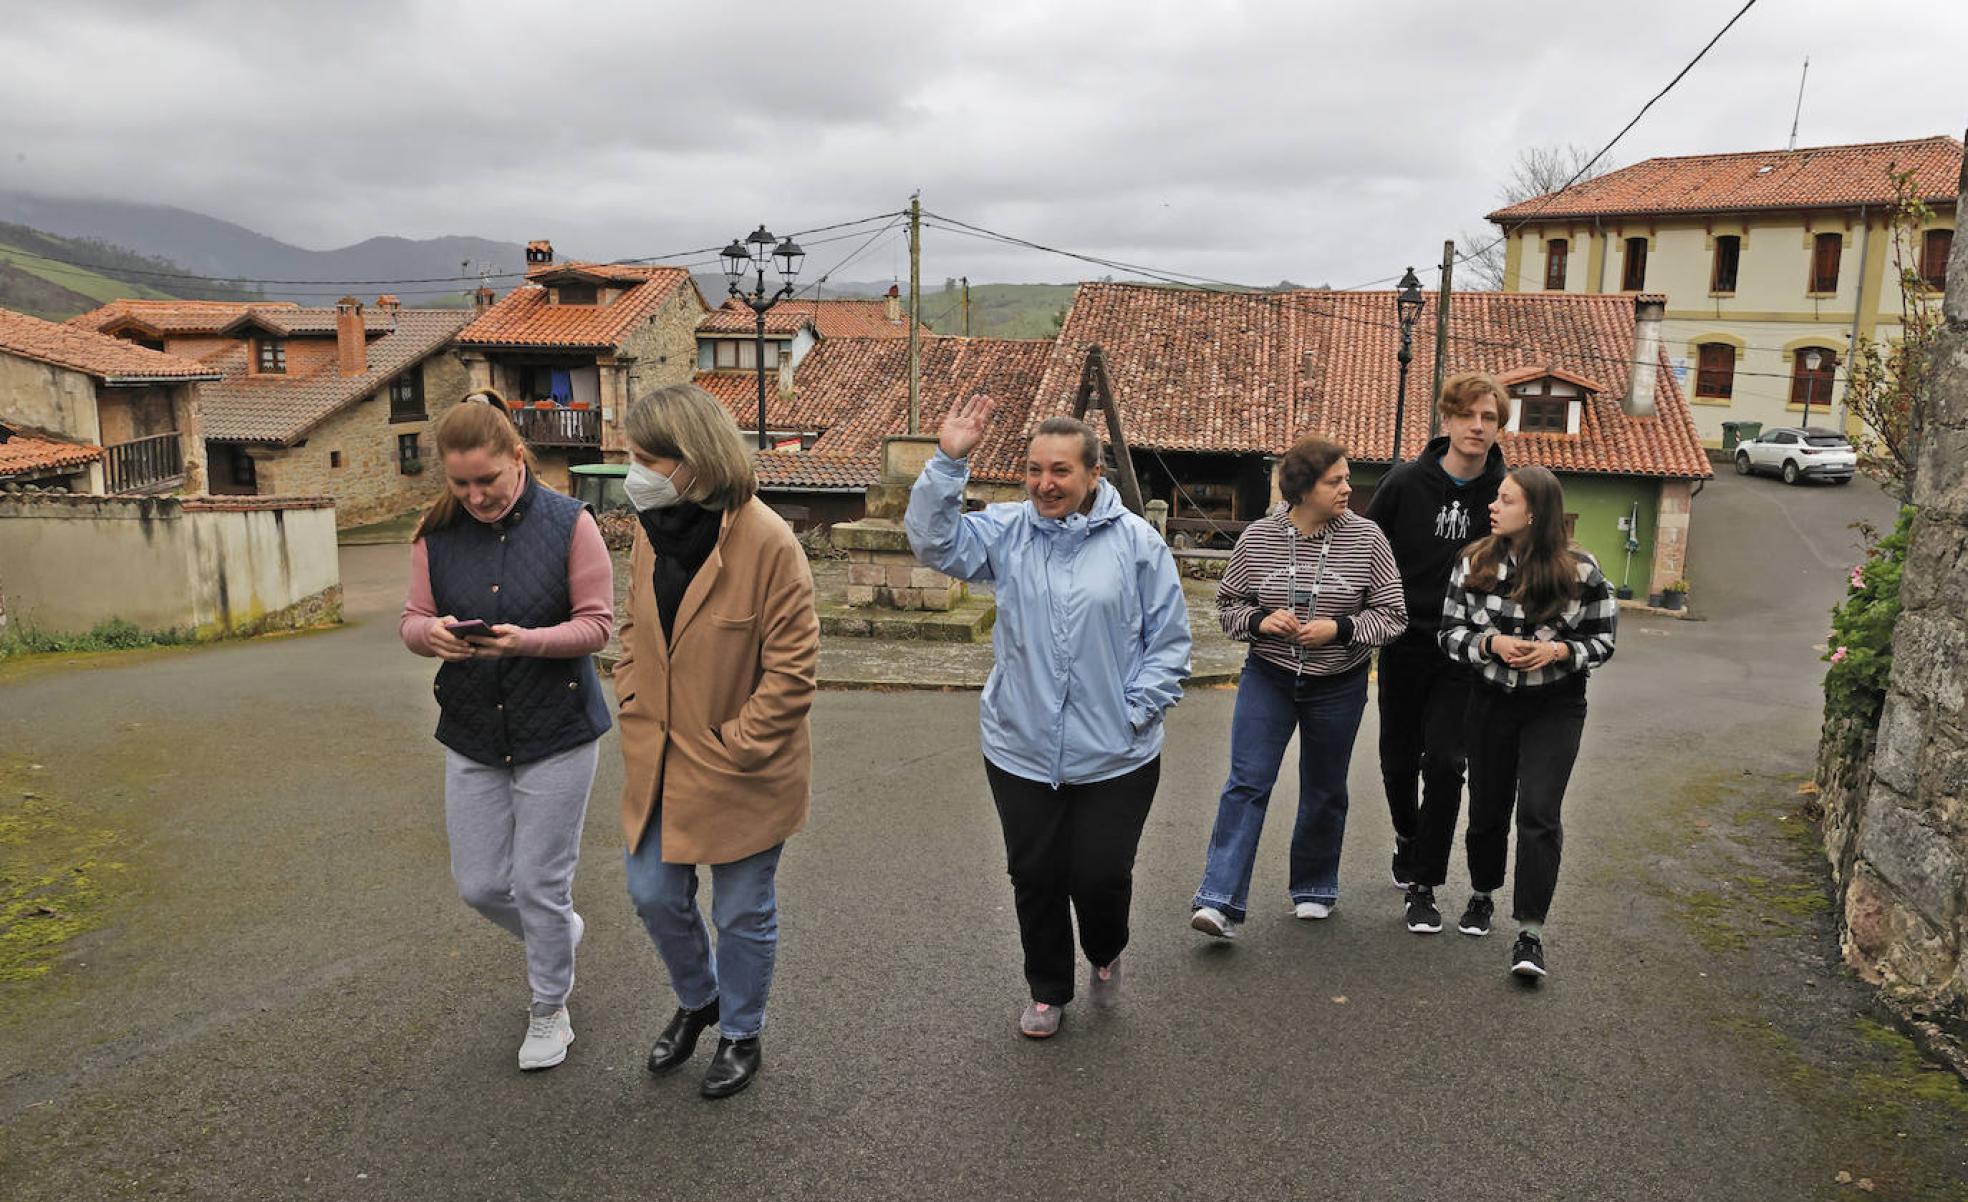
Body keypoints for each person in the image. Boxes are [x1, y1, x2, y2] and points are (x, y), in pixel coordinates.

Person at [907, 397, 1191, 1040]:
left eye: (1060, 471)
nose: (1044, 484)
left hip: (1117, 751)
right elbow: (933, 543)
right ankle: (1047, 988)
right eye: (1035, 470)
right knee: (1033, 872)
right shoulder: (1009, 530)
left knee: (1099, 874)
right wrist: (949, 462)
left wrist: (1134, 714)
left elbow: (1169, 642)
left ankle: (1107, 943)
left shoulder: (1138, 544)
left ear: (1094, 475)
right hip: (1021, 745)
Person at [399, 389, 614, 1071]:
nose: (475, 496)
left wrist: (528, 642)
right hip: (471, 730)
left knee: (541, 882)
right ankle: (561, 934)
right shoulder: (434, 533)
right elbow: (410, 620)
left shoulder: (571, 522)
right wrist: (428, 634)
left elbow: (598, 624)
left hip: (557, 726)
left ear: (516, 459)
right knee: (483, 885)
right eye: (460, 484)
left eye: (486, 480)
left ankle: (550, 1008)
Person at [614, 382, 818, 1099]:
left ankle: (740, 1031)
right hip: (659, 758)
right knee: (651, 893)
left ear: (692, 460)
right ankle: (700, 1000)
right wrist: (631, 693)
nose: (633, 470)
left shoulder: (768, 542)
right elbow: (633, 628)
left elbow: (793, 672)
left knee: (741, 910)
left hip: (743, 766)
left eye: (646, 457)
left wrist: (736, 743)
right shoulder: (651, 526)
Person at [1190, 436, 1407, 939]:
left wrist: (1343, 629)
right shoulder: (1260, 537)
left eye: (1347, 478)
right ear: (1303, 489)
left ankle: (1313, 887)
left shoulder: (1368, 539)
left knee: (1325, 787)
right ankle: (1218, 901)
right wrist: (1262, 621)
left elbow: (1393, 616)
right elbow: (1227, 607)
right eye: (1336, 481)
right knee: (1247, 783)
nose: (1347, 489)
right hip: (1268, 676)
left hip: (1339, 682)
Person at [1438, 466, 1616, 980]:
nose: (1494, 506)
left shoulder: (1581, 570)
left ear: (1535, 512)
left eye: (1506, 499)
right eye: (1496, 497)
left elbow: (1603, 641)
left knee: (1539, 812)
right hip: (1489, 698)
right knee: (1488, 806)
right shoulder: (1473, 562)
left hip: (1554, 705)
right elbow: (1448, 633)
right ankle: (1481, 894)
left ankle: (1530, 934)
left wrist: (1559, 650)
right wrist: (1489, 644)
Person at [1364, 371, 1509, 936]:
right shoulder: (1404, 483)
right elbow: (1368, 552)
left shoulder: (1503, 493)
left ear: (1499, 427)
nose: (1478, 427)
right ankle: (1407, 835)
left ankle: (1424, 885)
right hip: (1405, 642)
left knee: (1447, 762)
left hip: (1467, 651)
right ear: (1446, 420)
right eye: (1468, 415)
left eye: (1489, 418)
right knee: (1398, 759)